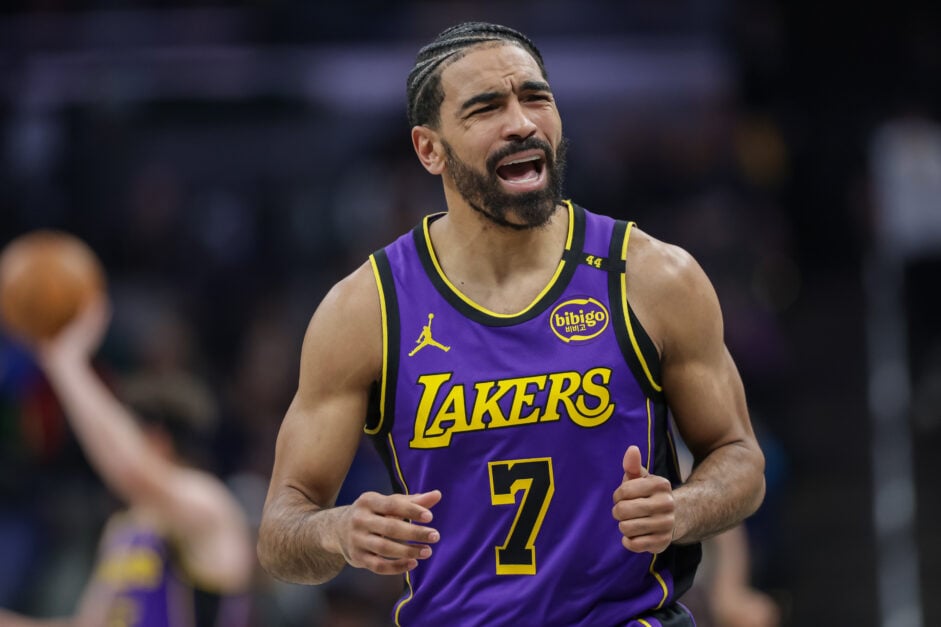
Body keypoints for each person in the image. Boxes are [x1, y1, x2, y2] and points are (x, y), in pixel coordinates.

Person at [257, 21, 766, 626]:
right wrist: (339, 531)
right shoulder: (366, 309)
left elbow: (740, 460)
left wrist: (682, 510)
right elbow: (280, 530)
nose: (522, 122)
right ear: (429, 149)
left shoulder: (652, 276)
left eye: (535, 97)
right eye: (486, 108)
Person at [0, 296, 255, 626]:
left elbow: (130, 469)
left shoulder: (208, 504)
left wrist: (64, 360)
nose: (107, 446)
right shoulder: (124, 528)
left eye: (124, 431)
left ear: (157, 439)